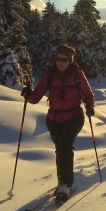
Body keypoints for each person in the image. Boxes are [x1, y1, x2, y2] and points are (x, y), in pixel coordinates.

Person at [21, 44, 95, 199]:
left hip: (74, 118)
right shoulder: (49, 75)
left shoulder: (77, 75)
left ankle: (65, 185)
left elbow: (88, 94)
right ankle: (63, 181)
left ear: (70, 61)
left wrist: (89, 106)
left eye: (64, 59)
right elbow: (36, 97)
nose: (60, 62)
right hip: (54, 120)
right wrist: (28, 94)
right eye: (58, 58)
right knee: (60, 150)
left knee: (65, 148)